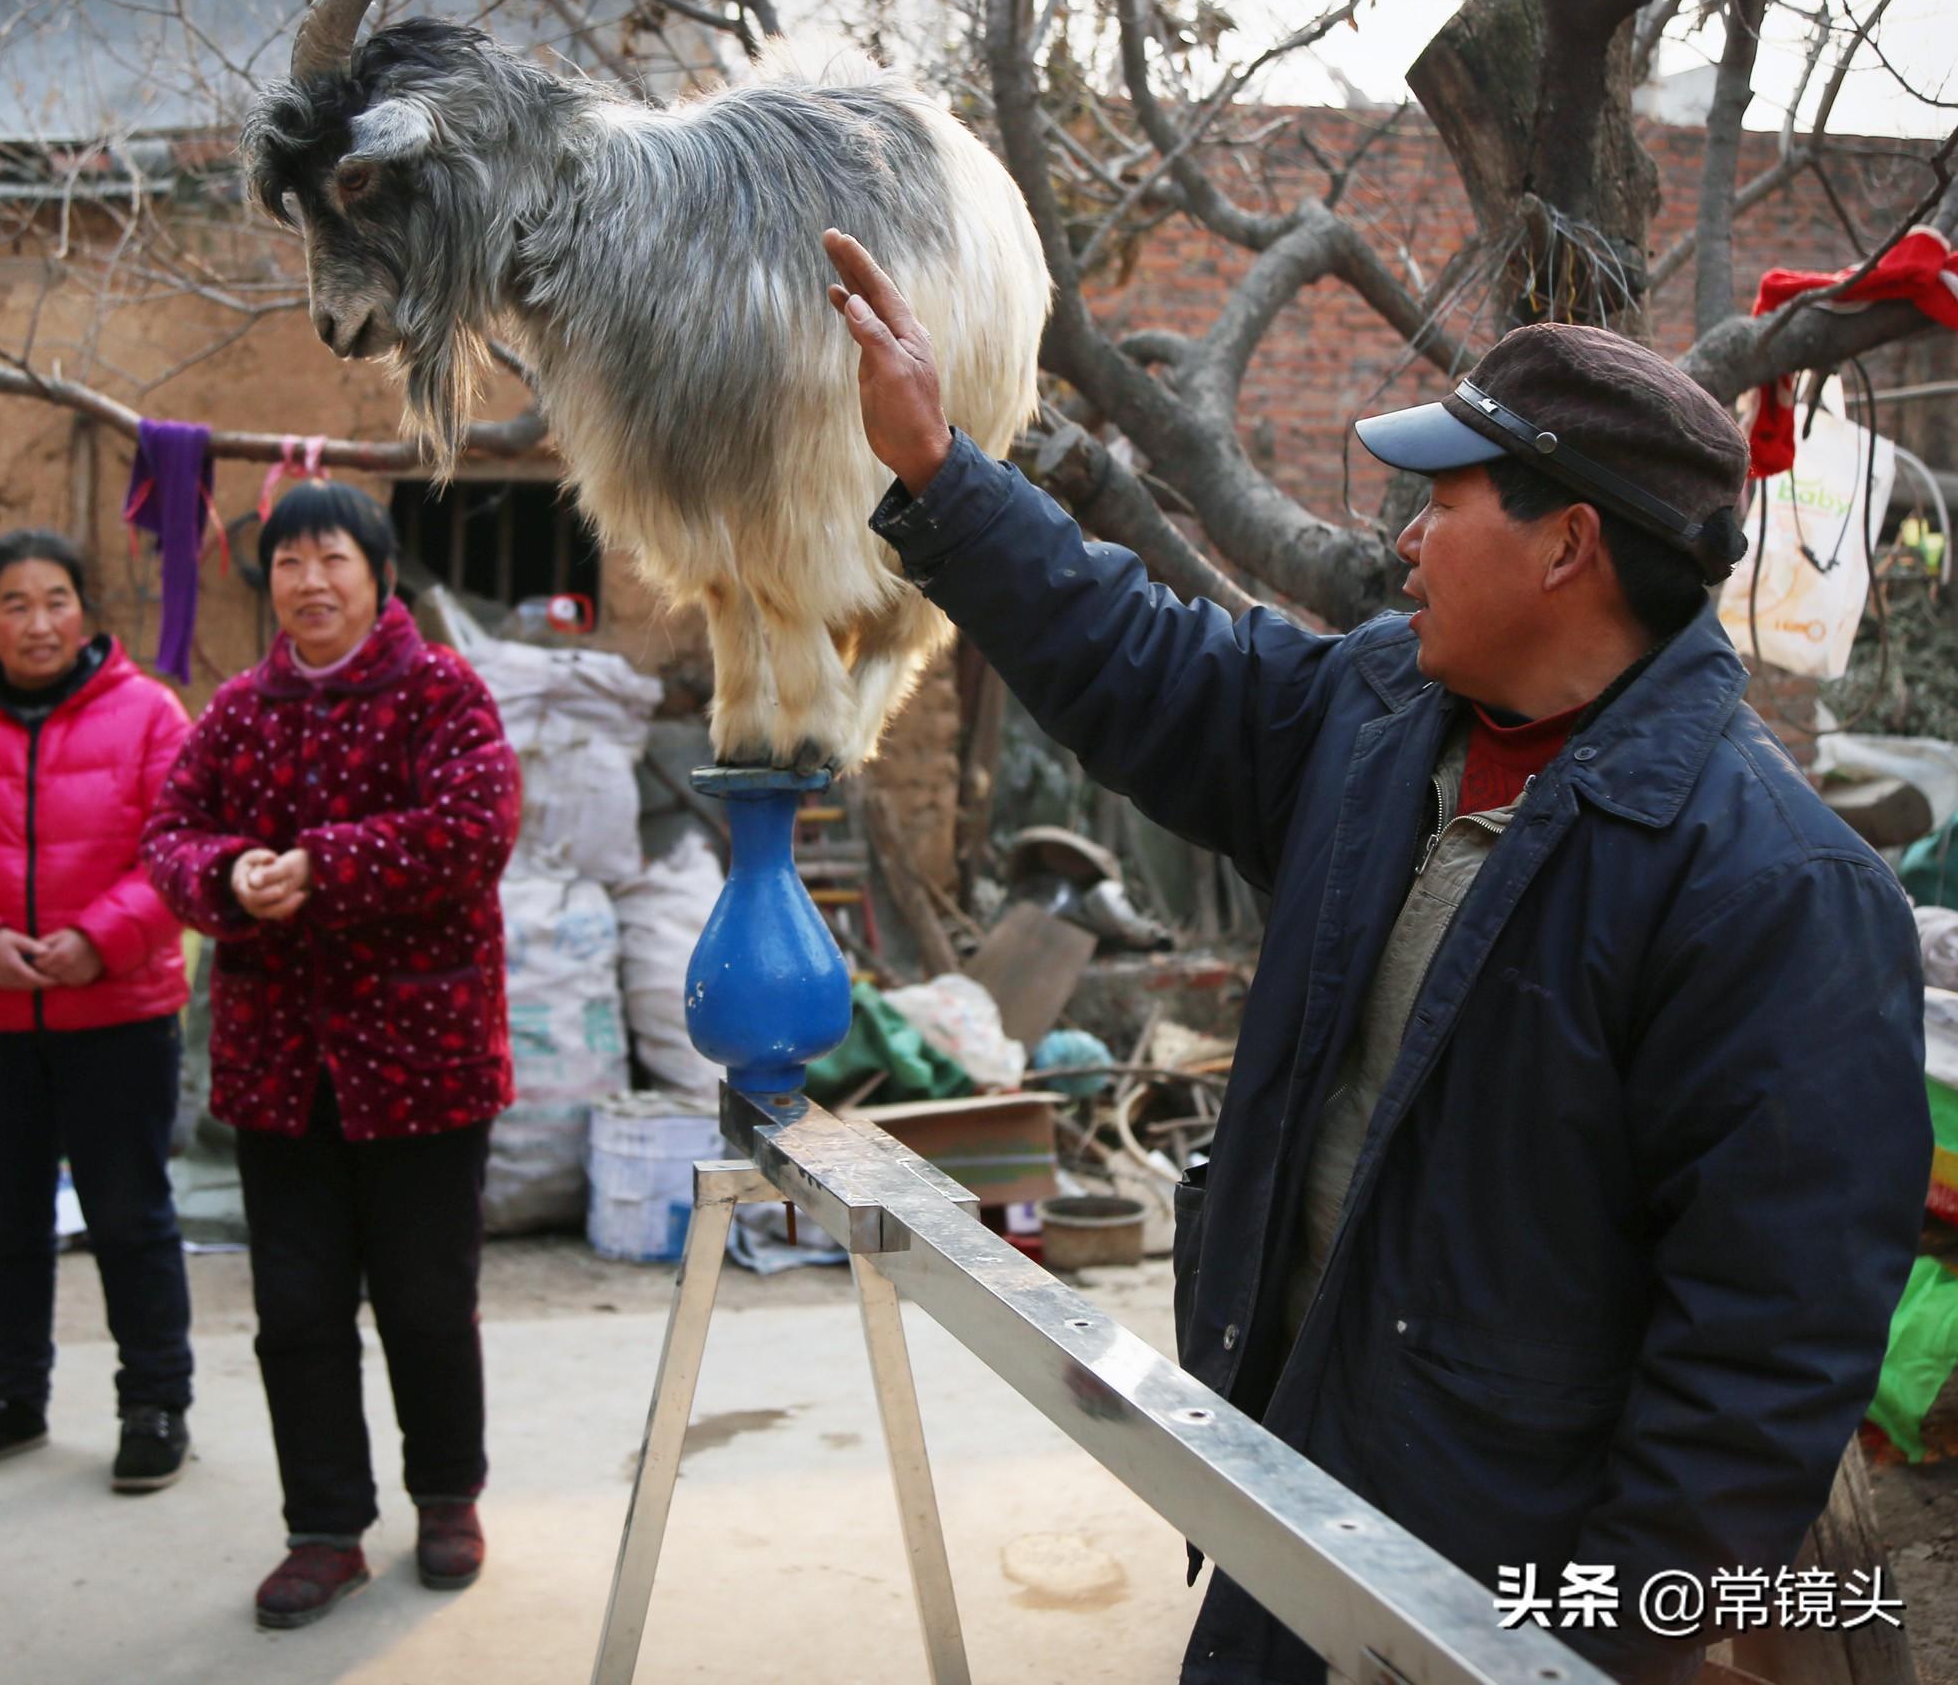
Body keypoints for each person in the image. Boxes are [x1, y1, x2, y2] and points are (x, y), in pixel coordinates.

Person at [822, 230, 1929, 1685]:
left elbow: (1760, 1365)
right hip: (1293, 1480)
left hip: (1496, 1587)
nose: (1404, 536)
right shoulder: (1379, 712)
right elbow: (1146, 661)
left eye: (1445, 499)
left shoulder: (1774, 892)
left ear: (1567, 544)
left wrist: (1579, 1649)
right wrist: (944, 477)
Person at [142, 481, 521, 1630]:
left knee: (423, 1296)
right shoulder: (242, 710)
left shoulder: (440, 690)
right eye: (288, 561)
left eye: (331, 558)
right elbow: (167, 835)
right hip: (281, 1063)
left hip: (422, 1055)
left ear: (379, 573)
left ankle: (446, 1495)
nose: (309, 580)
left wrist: (319, 862)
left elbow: (474, 826)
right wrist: (226, 877)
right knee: (295, 1306)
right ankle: (323, 1527)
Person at [0, 529, 198, 1493]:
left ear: (86, 613)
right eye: (14, 604)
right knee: (3, 1221)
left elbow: (180, 848)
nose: (38, 621)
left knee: (129, 1216)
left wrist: (99, 937)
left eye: (55, 599)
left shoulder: (148, 713)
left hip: (121, 1012)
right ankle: (11, 1397)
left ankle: (154, 1404)